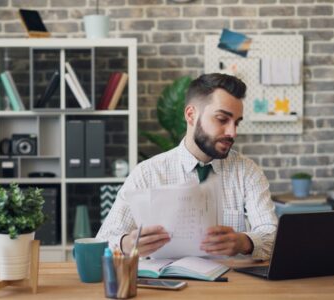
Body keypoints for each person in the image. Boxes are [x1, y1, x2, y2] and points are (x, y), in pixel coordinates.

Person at [96, 73, 278, 261]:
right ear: (191, 115)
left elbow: (273, 237)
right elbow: (103, 241)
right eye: (222, 119)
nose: (233, 132)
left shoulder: (247, 172)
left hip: (231, 287)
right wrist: (127, 244)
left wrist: (244, 242)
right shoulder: (147, 173)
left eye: (237, 122)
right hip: (166, 287)